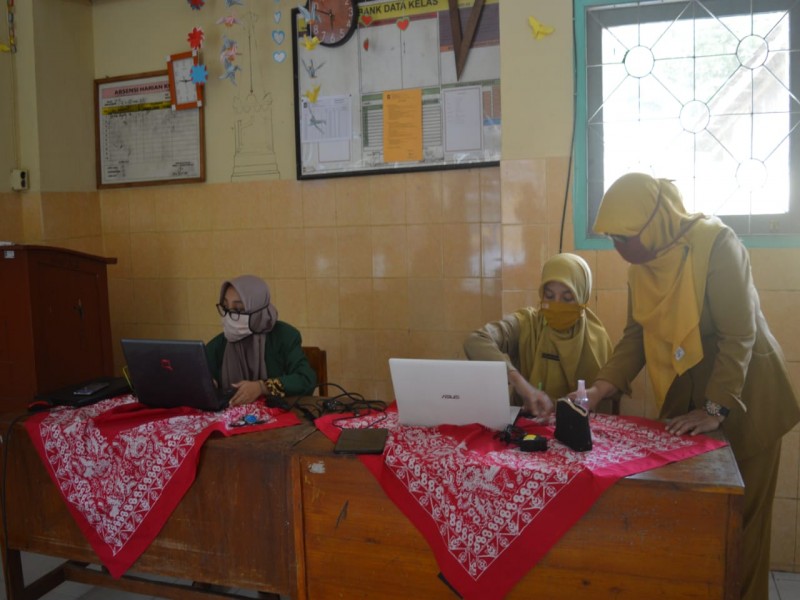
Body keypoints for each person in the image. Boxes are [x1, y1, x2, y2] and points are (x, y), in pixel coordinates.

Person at [584, 172, 800, 600]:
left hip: (746, 397)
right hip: (688, 400)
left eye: (625, 236)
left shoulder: (717, 245)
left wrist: (715, 408)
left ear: (655, 221)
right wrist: (600, 389)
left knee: (740, 529)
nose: (619, 248)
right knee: (694, 524)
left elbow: (739, 335)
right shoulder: (642, 268)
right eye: (612, 238)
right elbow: (635, 336)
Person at [463, 253, 614, 417]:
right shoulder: (527, 323)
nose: (557, 304)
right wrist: (519, 383)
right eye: (549, 296)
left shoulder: (597, 338)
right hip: (527, 421)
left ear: (582, 297)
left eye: (567, 298)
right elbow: (476, 340)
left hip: (579, 425)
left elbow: (610, 400)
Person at [206, 275, 317, 406]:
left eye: (238, 309)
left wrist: (262, 387)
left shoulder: (284, 336)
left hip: (277, 414)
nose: (229, 317)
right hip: (231, 415)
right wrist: (208, 385)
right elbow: (203, 378)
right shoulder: (219, 344)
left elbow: (306, 380)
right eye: (225, 308)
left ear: (258, 309)